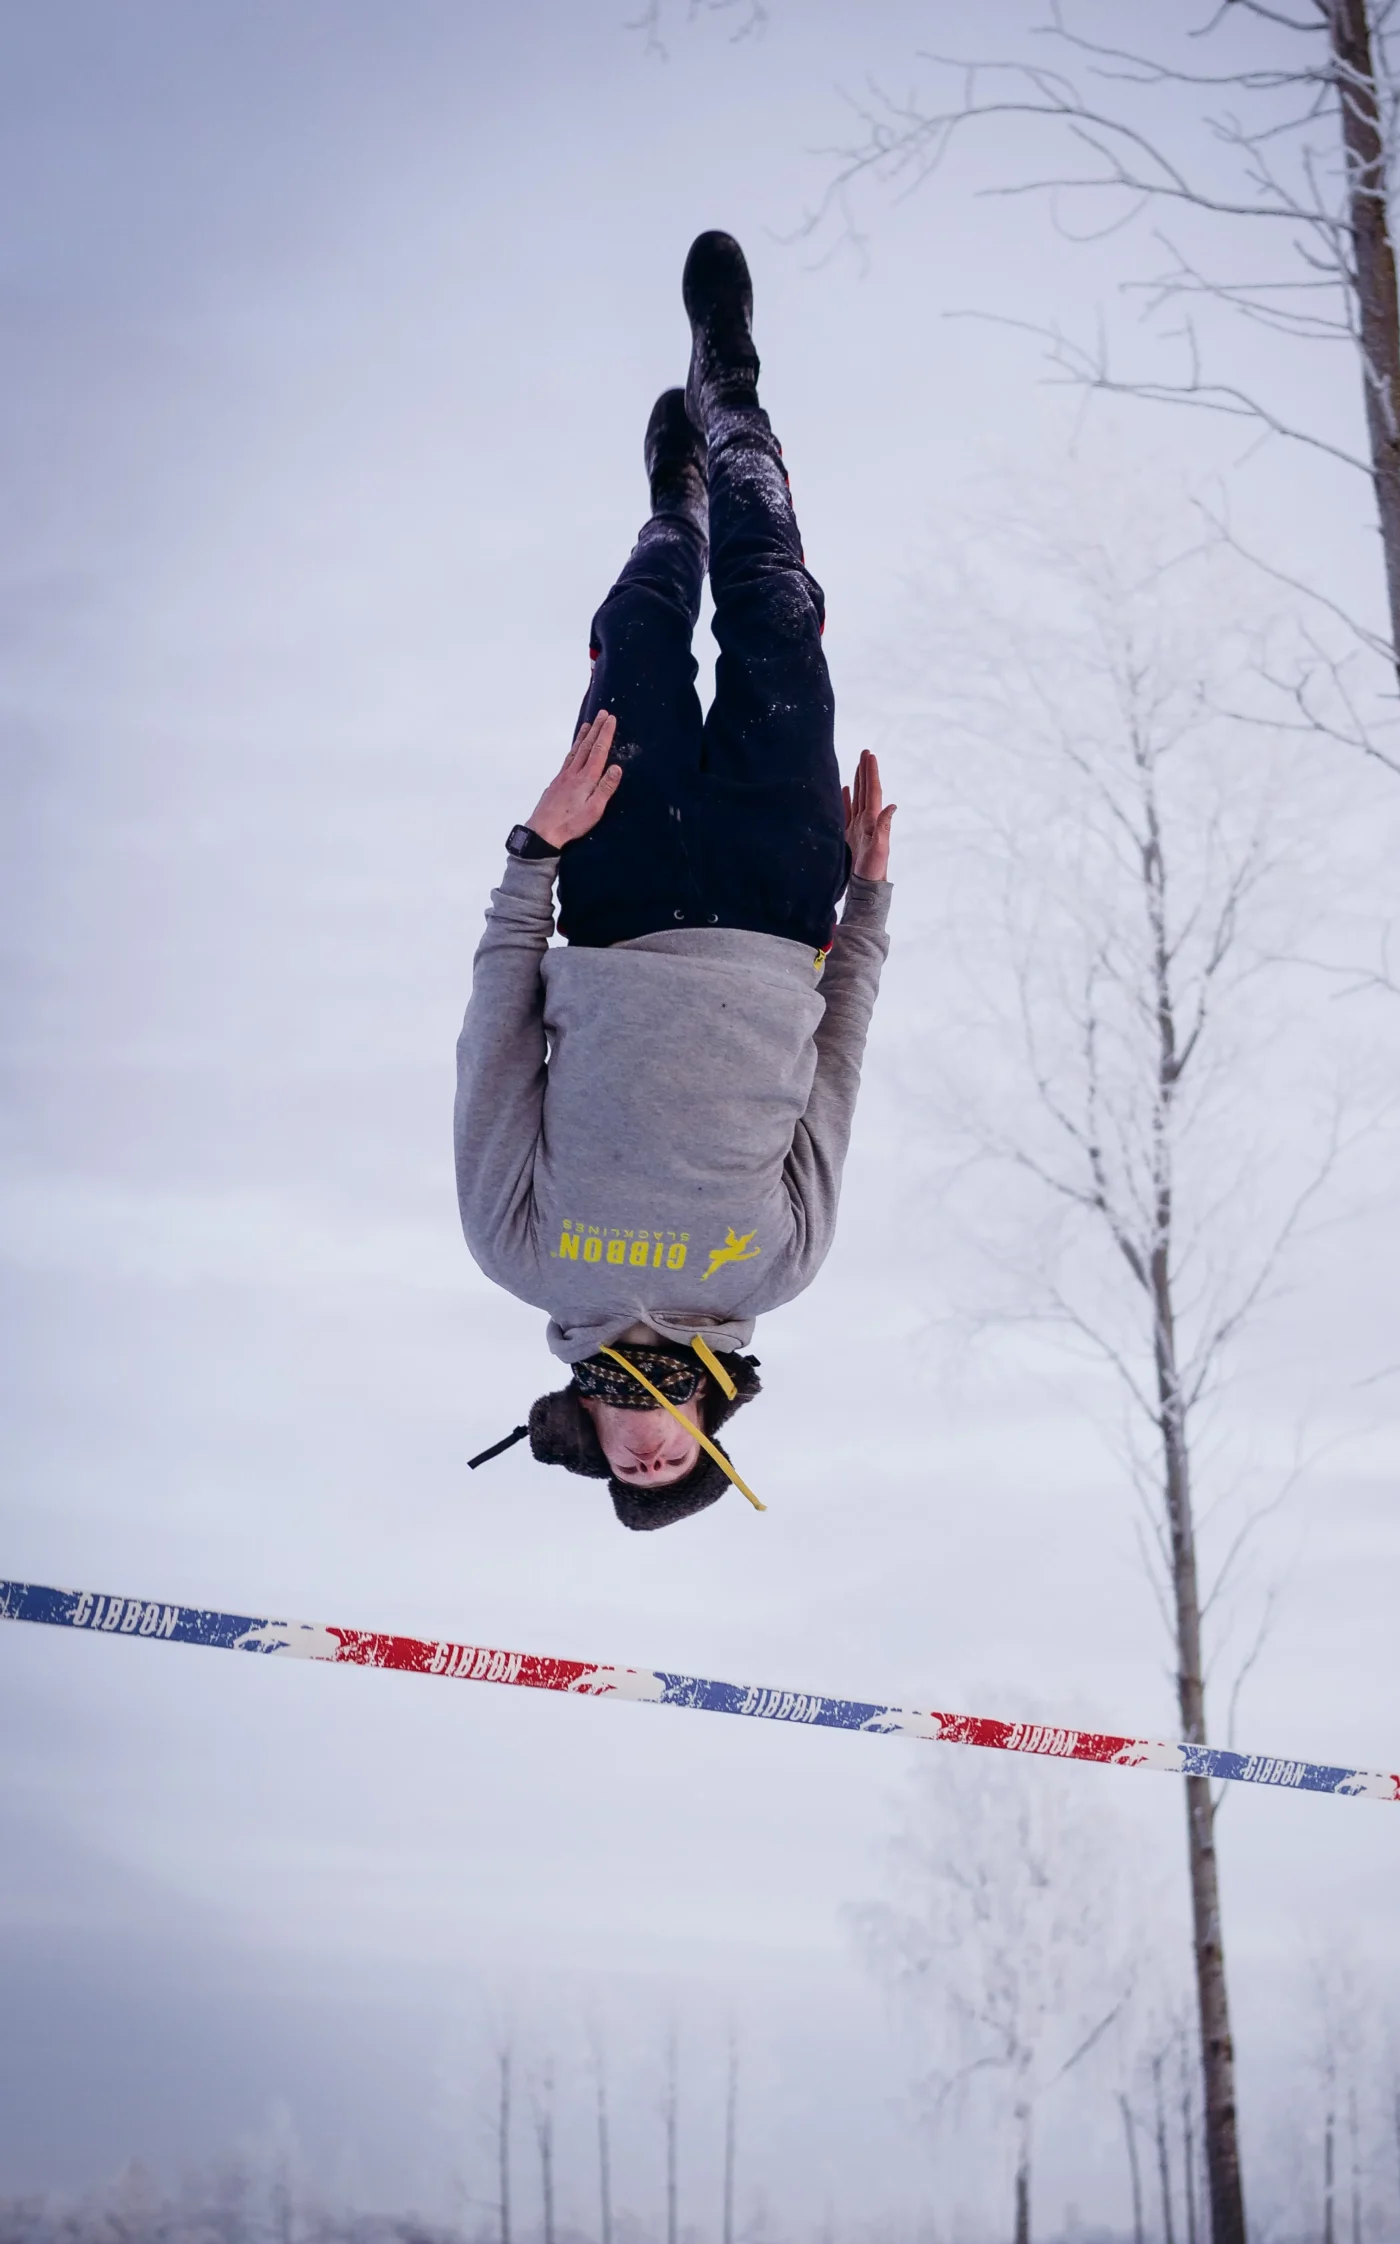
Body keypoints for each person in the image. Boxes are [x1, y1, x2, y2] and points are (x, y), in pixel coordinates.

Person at [455, 232, 894, 1532]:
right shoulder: (784, 1264)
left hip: (620, 889)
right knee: (776, 610)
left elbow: (496, 1042)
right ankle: (731, 395)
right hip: (776, 897)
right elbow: (840, 1064)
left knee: (642, 623)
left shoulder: (520, 1256)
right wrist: (865, 904)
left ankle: (672, 506)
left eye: (625, 1476)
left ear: (587, 1435)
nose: (652, 1471)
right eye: (681, 1471)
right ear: (713, 1429)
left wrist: (536, 851)